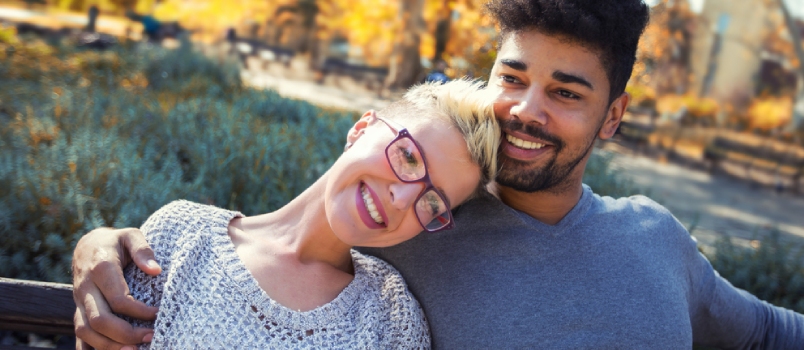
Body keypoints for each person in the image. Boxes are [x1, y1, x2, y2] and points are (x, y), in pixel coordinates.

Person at [72, 0, 804, 348]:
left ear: (612, 118)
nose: (526, 108)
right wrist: (102, 244)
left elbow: (770, 332)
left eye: (567, 93)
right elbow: (269, 252)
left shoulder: (657, 239)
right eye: (511, 77)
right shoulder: (419, 226)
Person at [71, 79, 499, 349]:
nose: (403, 199)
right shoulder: (181, 237)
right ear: (363, 128)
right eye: (408, 157)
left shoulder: (390, 322)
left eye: (432, 203)